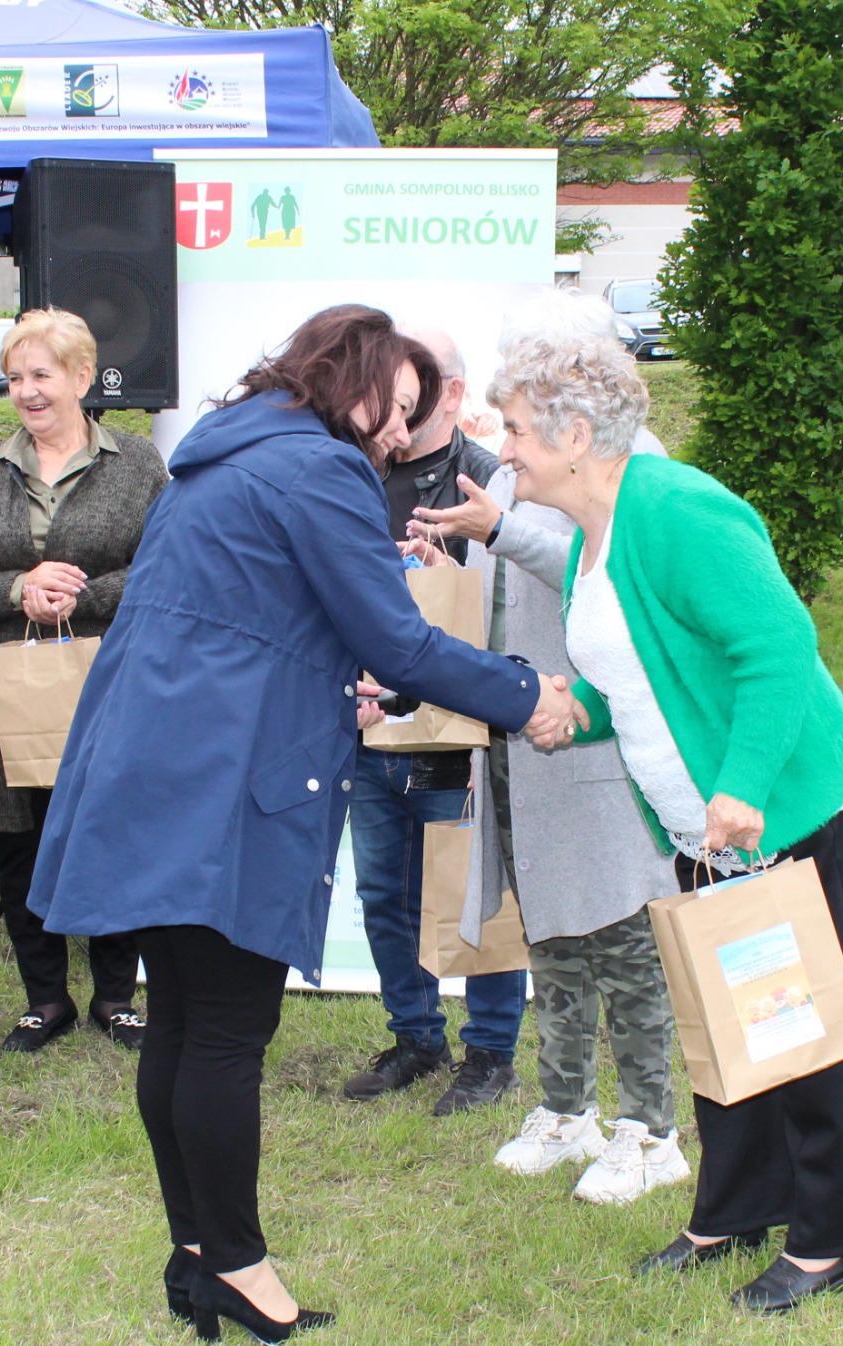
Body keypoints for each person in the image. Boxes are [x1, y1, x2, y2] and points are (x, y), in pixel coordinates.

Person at [25, 305, 582, 1341]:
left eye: (415, 418)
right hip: (218, 780)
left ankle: (196, 1253)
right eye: (392, 409)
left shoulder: (224, 454)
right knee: (227, 1030)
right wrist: (526, 690)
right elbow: (399, 638)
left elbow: (255, 622)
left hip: (154, 763)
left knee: (187, 1020)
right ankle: (238, 1266)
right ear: (349, 377)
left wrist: (337, 683)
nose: (394, 435)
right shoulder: (318, 468)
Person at [500, 333, 843, 1311]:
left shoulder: (676, 507)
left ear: (575, 434)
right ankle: (733, 1207)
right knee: (731, 1023)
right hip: (706, 827)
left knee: (805, 1026)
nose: (506, 447)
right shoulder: (591, 536)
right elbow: (649, 672)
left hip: (784, 809)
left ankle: (831, 1236)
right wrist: (582, 707)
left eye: (517, 428)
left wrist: (741, 788)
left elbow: (779, 644)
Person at [405, 292, 687, 1202]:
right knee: (553, 941)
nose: (509, 423)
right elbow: (518, 582)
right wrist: (462, 578)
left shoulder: (637, 468)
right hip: (528, 744)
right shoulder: (523, 465)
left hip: (600, 748)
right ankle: (566, 1109)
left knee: (627, 946)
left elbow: (590, 570)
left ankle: (652, 1129)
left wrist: (498, 531)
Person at [0, 308, 168, 1054]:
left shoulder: (138, 465)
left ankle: (114, 997)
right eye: (15, 378)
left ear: (81, 377)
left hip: (113, 682)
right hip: (7, 688)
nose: (28, 392)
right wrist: (17, 591)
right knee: (21, 843)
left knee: (113, 835)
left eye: (42, 375)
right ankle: (45, 1000)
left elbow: (168, 569)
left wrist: (82, 596)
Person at [341, 327, 528, 1117]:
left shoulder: (488, 484)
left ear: (453, 394)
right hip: (368, 720)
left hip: (454, 728)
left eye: (416, 394)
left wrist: (461, 577)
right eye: (389, 391)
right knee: (385, 891)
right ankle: (416, 1035)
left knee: (472, 890)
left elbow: (520, 612)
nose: (398, 409)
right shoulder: (355, 470)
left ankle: (490, 1053)